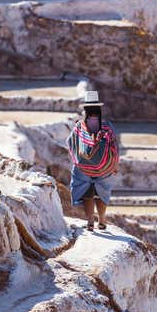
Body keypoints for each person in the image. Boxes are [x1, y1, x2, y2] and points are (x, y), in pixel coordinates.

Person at [66, 91, 120, 231]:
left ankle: (90, 222)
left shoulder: (80, 127)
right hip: (104, 167)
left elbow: (70, 142)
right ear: (99, 109)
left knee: (87, 194)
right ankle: (102, 220)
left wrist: (80, 158)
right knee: (102, 192)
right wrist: (114, 164)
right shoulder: (107, 126)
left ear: (86, 110)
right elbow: (115, 146)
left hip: (84, 168)